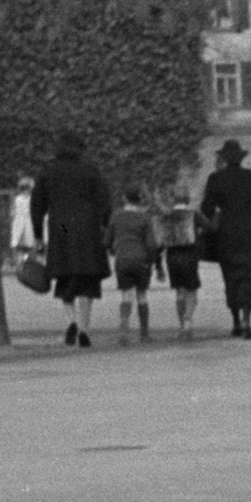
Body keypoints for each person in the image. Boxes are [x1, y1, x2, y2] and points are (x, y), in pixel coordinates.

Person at [29, 135, 113, 348]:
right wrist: (104, 223)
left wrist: (38, 235)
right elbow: (105, 200)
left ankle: (71, 321)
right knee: (87, 279)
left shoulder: (48, 170)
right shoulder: (90, 169)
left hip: (61, 227)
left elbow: (37, 204)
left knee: (64, 276)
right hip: (87, 227)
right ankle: (84, 327)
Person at [196, 136, 251, 337]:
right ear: (241, 158)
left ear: (224, 158)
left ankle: (235, 319)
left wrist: (204, 231)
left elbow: (207, 208)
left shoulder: (216, 179)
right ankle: (247, 317)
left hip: (227, 234)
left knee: (231, 276)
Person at [106, 183, 161, 341]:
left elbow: (107, 240)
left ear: (124, 198)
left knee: (126, 295)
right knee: (142, 295)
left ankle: (124, 329)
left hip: (123, 259)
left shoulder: (116, 216)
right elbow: (151, 245)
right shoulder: (145, 218)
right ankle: (144, 333)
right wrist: (152, 262)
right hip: (141, 260)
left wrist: (113, 250)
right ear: (140, 199)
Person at [160, 195, 204, 341]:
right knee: (192, 291)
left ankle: (181, 326)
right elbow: (210, 227)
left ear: (174, 202)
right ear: (187, 202)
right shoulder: (193, 214)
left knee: (179, 292)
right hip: (190, 256)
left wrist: (158, 264)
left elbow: (161, 239)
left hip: (172, 257)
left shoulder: (167, 216)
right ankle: (187, 321)